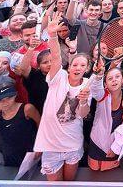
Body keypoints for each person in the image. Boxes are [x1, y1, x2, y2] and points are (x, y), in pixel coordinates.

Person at [33, 13, 92, 181]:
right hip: (51, 144)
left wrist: (83, 101)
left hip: (73, 143)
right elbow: (56, 56)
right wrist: (52, 35)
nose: (78, 67)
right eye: (75, 64)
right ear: (69, 66)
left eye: (82, 65)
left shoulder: (87, 85)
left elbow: (83, 114)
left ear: (87, 69)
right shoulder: (58, 77)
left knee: (69, 183)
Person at [0, 77, 40, 167]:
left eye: (9, 98)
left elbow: (41, 125)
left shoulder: (27, 109)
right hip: (10, 159)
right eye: (0, 100)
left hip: (31, 156)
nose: (5, 103)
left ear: (15, 95)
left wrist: (40, 147)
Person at [88, 67, 123, 171]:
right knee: (95, 174)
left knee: (112, 176)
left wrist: (116, 147)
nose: (114, 80)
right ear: (105, 84)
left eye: (117, 76)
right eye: (110, 78)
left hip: (116, 146)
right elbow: (95, 89)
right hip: (97, 143)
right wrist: (99, 75)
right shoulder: (102, 94)